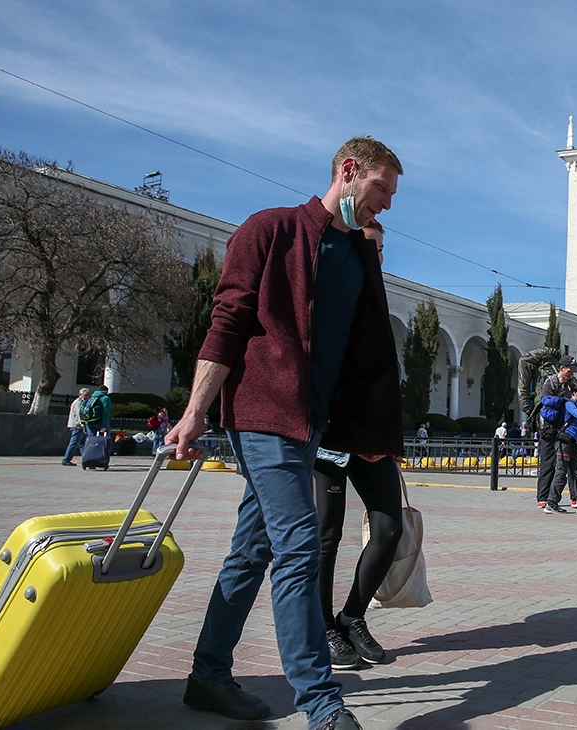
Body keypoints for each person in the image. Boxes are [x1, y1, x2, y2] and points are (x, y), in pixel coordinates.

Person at [165, 136, 406, 730]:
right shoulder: (270, 230)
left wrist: (370, 430)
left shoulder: (360, 256)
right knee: (299, 545)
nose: (387, 204)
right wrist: (195, 411)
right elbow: (226, 323)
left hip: (314, 423)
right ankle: (320, 703)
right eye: (381, 189)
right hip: (263, 413)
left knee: (253, 549)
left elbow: (367, 353)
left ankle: (208, 676)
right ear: (348, 171)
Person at [312, 451, 403, 669]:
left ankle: (351, 617)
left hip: (372, 440)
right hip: (329, 444)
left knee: (389, 530)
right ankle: (322, 628)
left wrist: (393, 442)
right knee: (327, 535)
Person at [545, 378, 577, 515]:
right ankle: (551, 503)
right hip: (564, 442)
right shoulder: (569, 404)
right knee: (561, 472)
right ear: (575, 393)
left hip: (572, 442)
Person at [535, 355, 577, 508]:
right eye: (569, 371)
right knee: (548, 462)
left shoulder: (572, 384)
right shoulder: (550, 382)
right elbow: (545, 400)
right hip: (549, 428)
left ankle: (576, 497)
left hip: (565, 429)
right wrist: (564, 401)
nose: (571, 374)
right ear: (562, 368)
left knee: (569, 464)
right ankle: (543, 497)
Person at [61, 388, 91, 466]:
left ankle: (86, 459)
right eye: (85, 395)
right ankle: (66, 459)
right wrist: (83, 426)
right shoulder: (78, 403)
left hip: (78, 426)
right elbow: (78, 416)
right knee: (74, 443)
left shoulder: (82, 402)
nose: (87, 397)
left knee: (82, 444)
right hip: (77, 426)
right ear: (80, 395)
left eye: (88, 395)